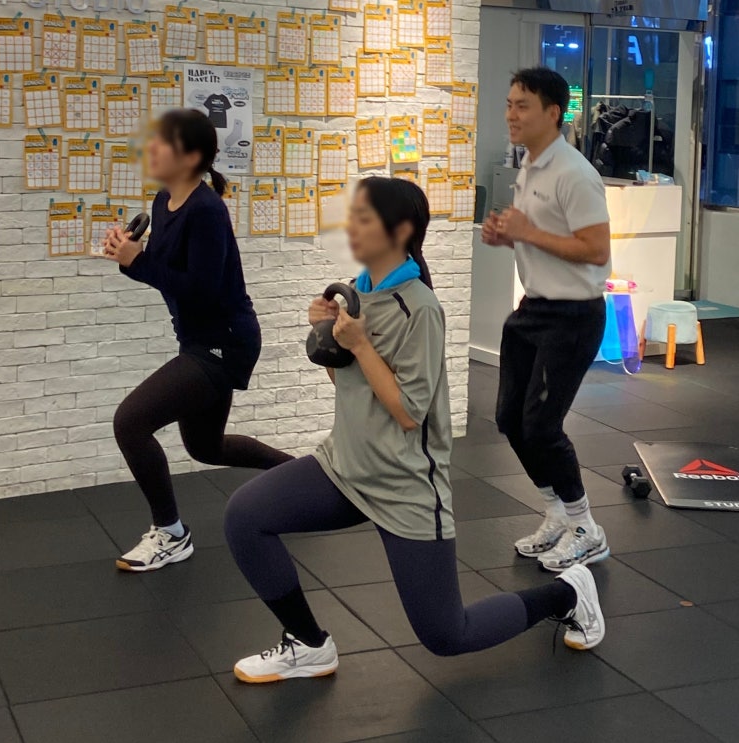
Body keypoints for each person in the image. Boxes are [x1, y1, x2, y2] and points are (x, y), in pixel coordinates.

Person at [223, 176, 605, 684]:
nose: (350, 227)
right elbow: (350, 384)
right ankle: (309, 644)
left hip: (405, 486)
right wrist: (326, 335)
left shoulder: (419, 307)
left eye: (362, 218)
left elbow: (408, 413)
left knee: (447, 635)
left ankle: (568, 593)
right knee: (244, 516)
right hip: (345, 467)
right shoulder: (359, 291)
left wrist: (360, 345)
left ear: (400, 230)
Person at [103, 109, 292, 572]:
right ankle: (308, 476)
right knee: (206, 448)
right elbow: (168, 275)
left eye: (161, 142)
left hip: (224, 342)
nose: (150, 149)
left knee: (130, 422)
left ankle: (171, 534)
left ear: (189, 157)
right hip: (198, 341)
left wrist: (138, 262)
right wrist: (128, 257)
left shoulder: (207, 210)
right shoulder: (163, 201)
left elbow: (201, 290)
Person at [482, 67, 612, 572]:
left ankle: (586, 527)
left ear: (553, 113)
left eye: (523, 106)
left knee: (541, 426)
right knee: (510, 419)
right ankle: (557, 513)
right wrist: (509, 237)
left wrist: (528, 233)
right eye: (509, 104)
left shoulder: (575, 173)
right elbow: (543, 238)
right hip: (533, 310)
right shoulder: (529, 166)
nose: (511, 115)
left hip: (573, 315)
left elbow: (596, 250)